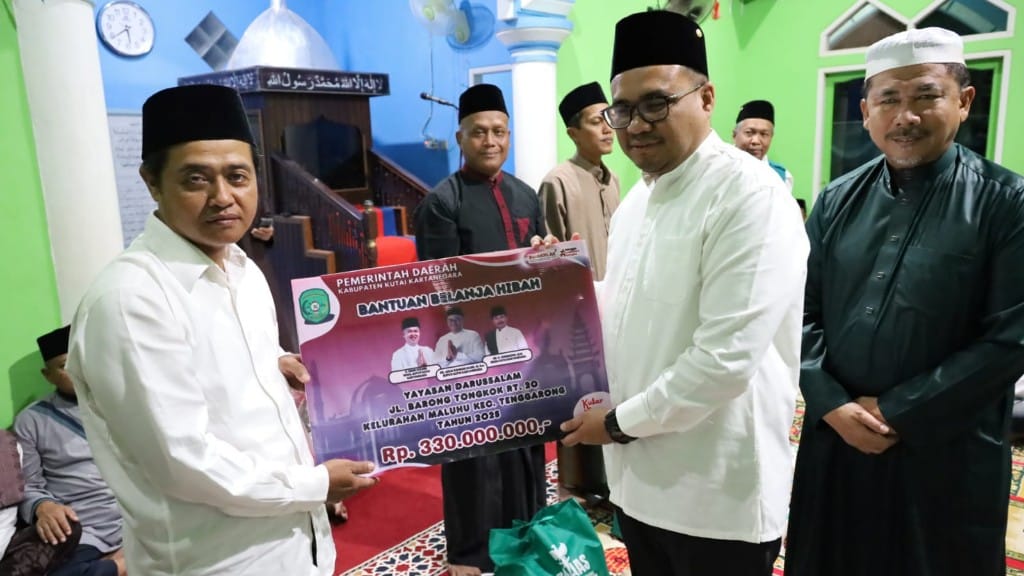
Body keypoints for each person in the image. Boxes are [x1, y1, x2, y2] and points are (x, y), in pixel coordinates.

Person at [65, 84, 378, 576]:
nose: (223, 197)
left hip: (297, 547)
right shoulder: (130, 299)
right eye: (196, 179)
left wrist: (276, 365)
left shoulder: (242, 268)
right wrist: (315, 485)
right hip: (217, 561)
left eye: (237, 176)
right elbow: (182, 461)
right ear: (152, 182)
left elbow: (226, 365)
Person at [559, 11, 808, 576]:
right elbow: (624, 305)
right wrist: (554, 286)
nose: (636, 125)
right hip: (639, 485)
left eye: (656, 103)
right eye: (622, 109)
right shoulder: (639, 200)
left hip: (715, 495)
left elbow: (724, 361)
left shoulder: (749, 196)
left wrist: (616, 425)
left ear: (707, 98)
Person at [785, 27, 1024, 576]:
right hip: (837, 439)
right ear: (866, 111)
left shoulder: (1007, 203)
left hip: (946, 450)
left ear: (964, 101)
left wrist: (899, 410)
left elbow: (1011, 338)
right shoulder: (836, 199)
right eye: (888, 100)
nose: (905, 117)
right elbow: (799, 310)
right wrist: (830, 402)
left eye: (926, 96)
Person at [413, 83, 551, 576]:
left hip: (519, 341)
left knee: (525, 438)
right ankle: (471, 552)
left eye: (499, 131)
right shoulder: (441, 203)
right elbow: (440, 285)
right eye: (479, 132)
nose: (490, 141)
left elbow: (541, 262)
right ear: (460, 137)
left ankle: (526, 530)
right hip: (470, 349)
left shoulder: (525, 194)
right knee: (472, 451)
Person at [11, 326, 126, 576]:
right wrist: (43, 506)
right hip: (86, 527)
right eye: (64, 365)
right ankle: (123, 563)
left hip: (139, 517)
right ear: (48, 376)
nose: (77, 369)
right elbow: (28, 485)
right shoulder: (32, 421)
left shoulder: (125, 403)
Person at [539, 81, 621, 280]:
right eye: (596, 121)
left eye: (609, 119)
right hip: (581, 294)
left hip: (616, 290)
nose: (607, 129)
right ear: (573, 134)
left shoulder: (613, 180)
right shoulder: (557, 182)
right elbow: (551, 256)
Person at [732, 99, 794, 192]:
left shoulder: (782, 176)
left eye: (764, 134)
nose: (756, 141)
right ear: (734, 134)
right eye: (749, 132)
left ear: (771, 137)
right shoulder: (719, 166)